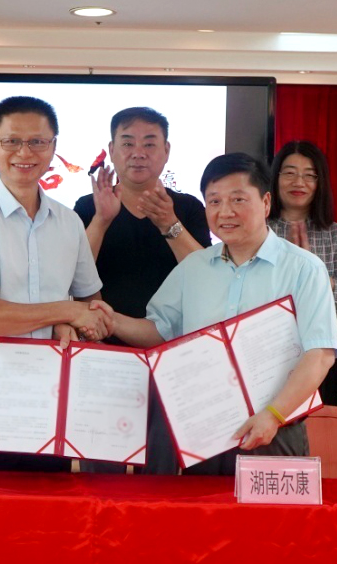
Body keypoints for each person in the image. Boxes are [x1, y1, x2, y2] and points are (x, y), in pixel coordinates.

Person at [108, 152, 337, 475]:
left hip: (274, 429)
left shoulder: (303, 268)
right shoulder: (194, 268)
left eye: (238, 199)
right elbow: (159, 332)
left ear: (266, 203)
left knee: (270, 512)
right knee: (201, 508)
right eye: (214, 201)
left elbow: (320, 354)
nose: (225, 212)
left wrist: (273, 415)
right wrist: (111, 320)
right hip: (203, 431)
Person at [0, 96, 109, 471]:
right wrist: (65, 312)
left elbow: (91, 305)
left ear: (53, 147)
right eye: (12, 141)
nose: (25, 153)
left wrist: (75, 321)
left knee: (50, 501)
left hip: (52, 383)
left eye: (37, 142)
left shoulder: (68, 222)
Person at [74, 107, 211, 474]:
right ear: (111, 150)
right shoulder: (87, 206)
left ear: (166, 151)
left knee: (161, 470)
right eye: (128, 143)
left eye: (149, 144)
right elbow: (74, 276)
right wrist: (101, 220)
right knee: (102, 472)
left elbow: (205, 276)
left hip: (171, 354)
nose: (138, 153)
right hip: (104, 349)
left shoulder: (188, 207)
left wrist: (169, 223)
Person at [268, 140, 337, 406]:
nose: (299, 182)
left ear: (320, 183)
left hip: (319, 355)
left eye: (309, 175)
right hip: (265, 352)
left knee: (319, 429)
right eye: (290, 173)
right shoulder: (260, 230)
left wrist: (312, 268)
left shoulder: (336, 233)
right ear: (276, 178)